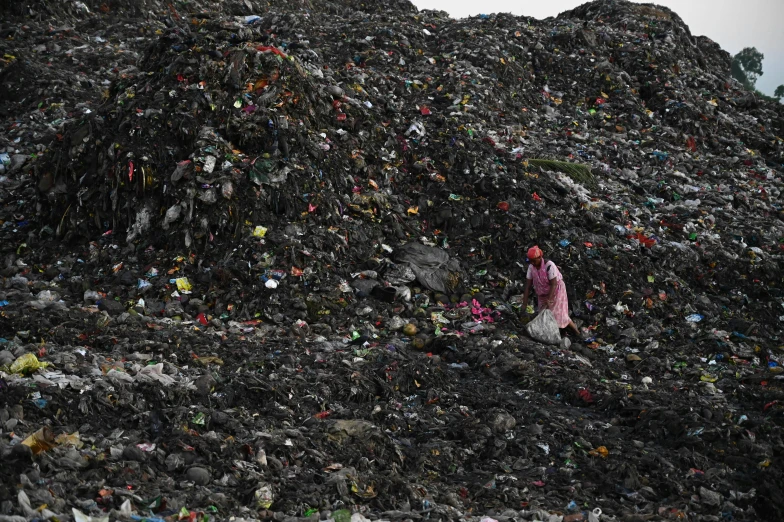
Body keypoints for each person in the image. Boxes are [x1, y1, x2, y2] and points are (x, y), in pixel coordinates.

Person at [521, 245, 581, 336]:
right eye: (531, 261)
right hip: (542, 293)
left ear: (540, 257)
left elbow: (554, 284)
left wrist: (549, 300)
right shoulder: (531, 268)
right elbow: (528, 286)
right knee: (542, 315)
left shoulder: (549, 265)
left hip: (556, 291)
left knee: (556, 314)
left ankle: (575, 331)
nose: (532, 263)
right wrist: (524, 304)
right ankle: (549, 334)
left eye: (534, 260)